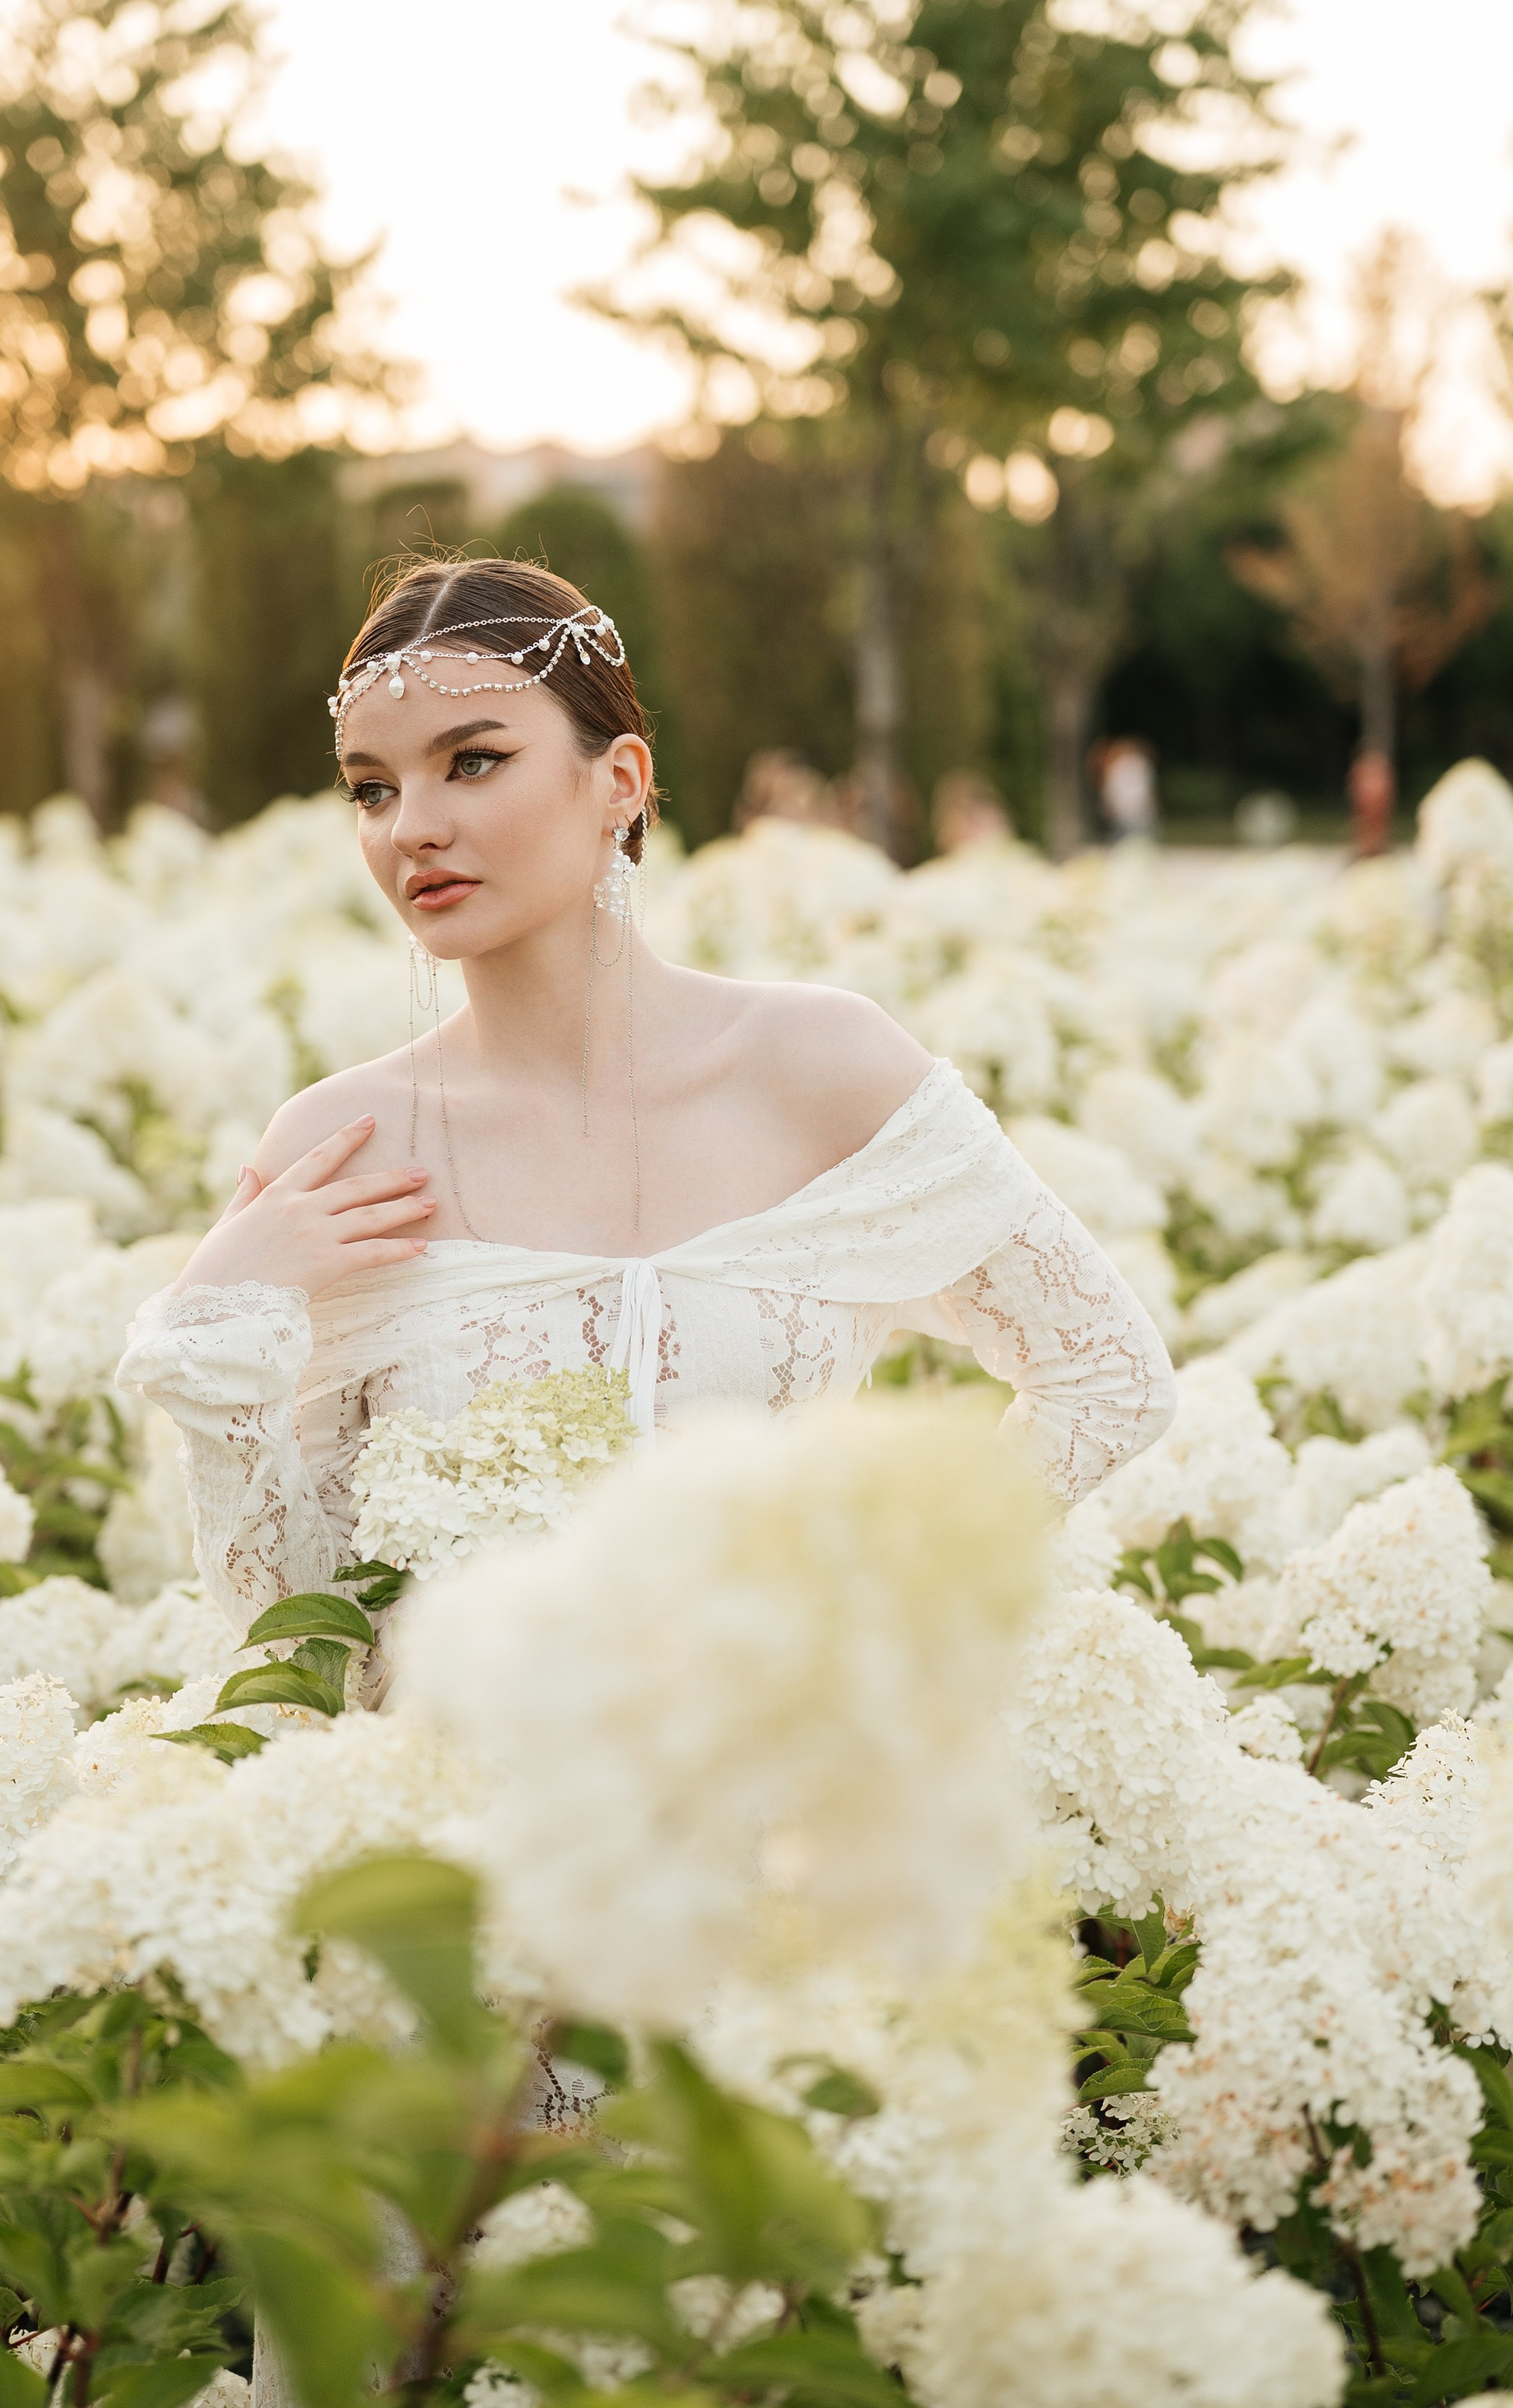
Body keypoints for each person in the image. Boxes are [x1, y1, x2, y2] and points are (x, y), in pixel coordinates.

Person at [117, 557, 1175, 1650]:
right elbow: (309, 1628)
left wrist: (874, 1623)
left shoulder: (825, 1064)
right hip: (467, 1791)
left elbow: (1107, 1378)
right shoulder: (346, 1146)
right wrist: (218, 1327)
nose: (411, 829)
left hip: (773, 1778)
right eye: (372, 789)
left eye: (472, 762)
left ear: (620, 779)